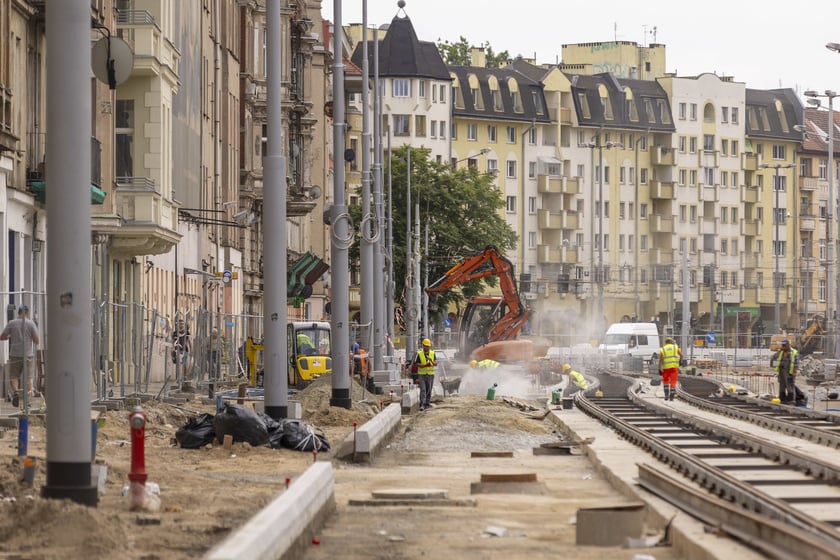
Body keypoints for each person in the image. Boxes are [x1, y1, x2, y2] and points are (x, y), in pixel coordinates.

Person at [1, 305, 40, 407]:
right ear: (27, 313)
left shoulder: (12, 323)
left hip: (14, 354)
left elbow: (2, 337)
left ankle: (16, 393)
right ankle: (27, 400)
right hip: (28, 355)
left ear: (18, 312)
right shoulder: (31, 323)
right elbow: (37, 341)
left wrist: (10, 336)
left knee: (14, 376)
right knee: (28, 377)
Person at [774, 338, 801, 404]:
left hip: (789, 372)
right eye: (782, 345)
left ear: (788, 345)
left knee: (790, 386)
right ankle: (782, 399)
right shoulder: (781, 352)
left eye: (784, 345)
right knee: (782, 385)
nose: (783, 346)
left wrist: (794, 372)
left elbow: (796, 363)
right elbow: (774, 357)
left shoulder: (793, 352)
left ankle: (791, 400)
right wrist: (779, 351)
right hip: (781, 372)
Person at [411, 338, 436, 410]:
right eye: (425, 346)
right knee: (423, 390)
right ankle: (422, 404)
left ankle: (427, 403)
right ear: (423, 346)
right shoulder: (419, 354)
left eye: (428, 346)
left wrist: (432, 362)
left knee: (429, 389)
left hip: (430, 374)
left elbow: (435, 363)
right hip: (422, 375)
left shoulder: (432, 353)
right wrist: (425, 365)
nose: (427, 347)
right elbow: (416, 364)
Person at [658, 337, 682, 401]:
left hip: (666, 368)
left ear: (665, 342)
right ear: (671, 342)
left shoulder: (663, 349)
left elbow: (660, 360)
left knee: (665, 381)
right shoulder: (675, 347)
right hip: (674, 368)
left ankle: (666, 395)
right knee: (673, 381)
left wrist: (659, 368)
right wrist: (680, 362)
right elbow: (681, 355)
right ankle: (672, 396)